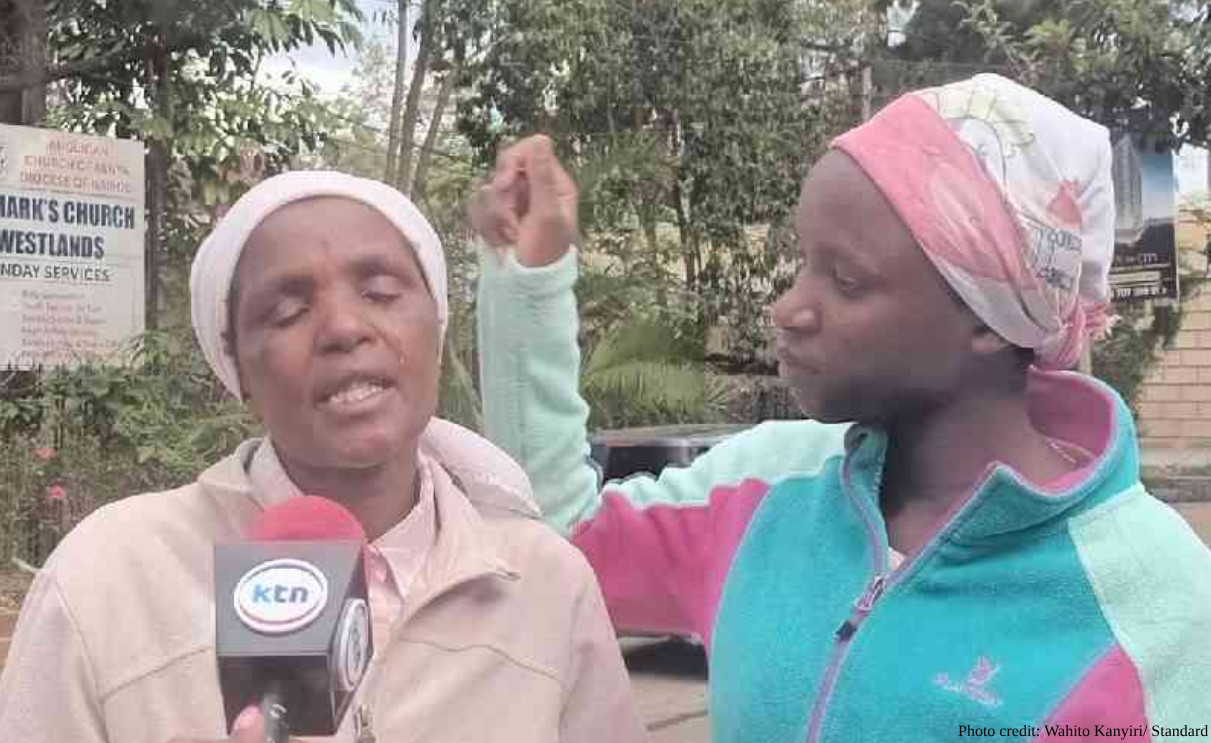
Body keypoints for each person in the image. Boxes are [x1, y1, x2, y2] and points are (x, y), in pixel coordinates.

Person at [472, 74, 1211, 742]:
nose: (788, 309)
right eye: (804, 264)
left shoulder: (1156, 609)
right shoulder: (762, 490)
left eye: (846, 280)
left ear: (989, 317)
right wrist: (529, 284)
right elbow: (554, 547)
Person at [0, 172, 645, 743]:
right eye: (287, 311)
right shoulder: (106, 580)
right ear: (237, 368)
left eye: (381, 292)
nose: (343, 328)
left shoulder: (547, 584)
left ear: (437, 322)